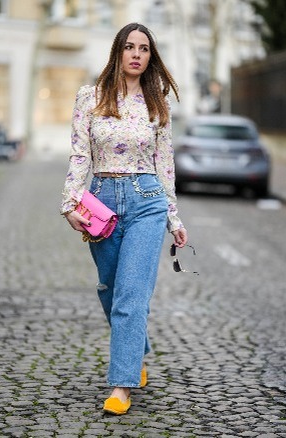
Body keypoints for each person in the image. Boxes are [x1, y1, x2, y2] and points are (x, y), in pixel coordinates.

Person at [60, 22, 188, 415]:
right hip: (101, 203)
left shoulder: (156, 103)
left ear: (151, 56)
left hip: (146, 200)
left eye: (144, 48)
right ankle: (138, 350)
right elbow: (80, 154)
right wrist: (69, 203)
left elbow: (164, 165)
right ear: (117, 52)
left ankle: (122, 385)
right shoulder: (90, 97)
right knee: (110, 289)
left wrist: (173, 217)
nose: (137, 54)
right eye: (130, 47)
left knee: (131, 297)